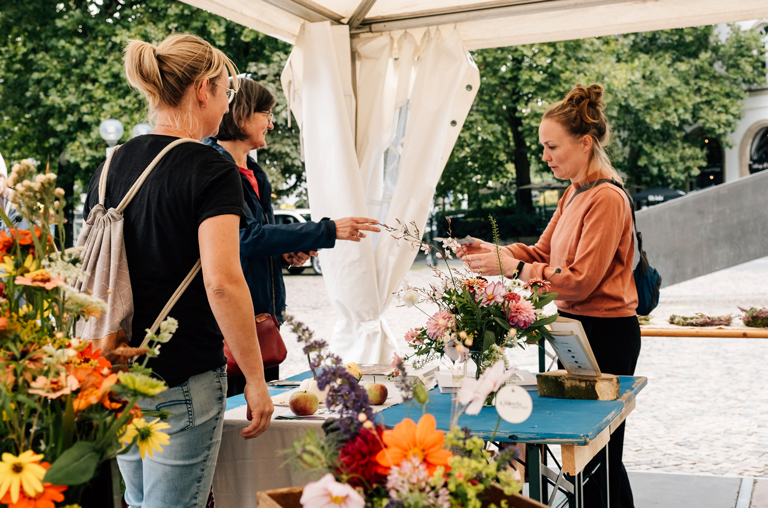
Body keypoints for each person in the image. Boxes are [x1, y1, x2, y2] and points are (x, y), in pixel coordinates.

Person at [82, 34, 273, 508]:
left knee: (140, 500)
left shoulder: (110, 166)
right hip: (182, 375)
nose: (228, 103)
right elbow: (222, 282)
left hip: (117, 370)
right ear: (203, 89)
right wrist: (254, 377)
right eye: (227, 91)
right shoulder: (211, 168)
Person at [460, 84, 639, 508]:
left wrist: (513, 267)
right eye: (543, 147)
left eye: (551, 146)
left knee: (601, 456)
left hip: (607, 334)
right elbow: (542, 253)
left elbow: (580, 280)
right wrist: (494, 252)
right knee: (586, 456)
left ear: (585, 142)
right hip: (577, 331)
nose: (545, 156)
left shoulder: (607, 198)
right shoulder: (574, 193)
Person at [203, 76, 380, 394]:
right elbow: (244, 237)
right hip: (230, 326)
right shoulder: (214, 168)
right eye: (266, 115)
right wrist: (326, 230)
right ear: (242, 114)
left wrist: (285, 254)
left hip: (265, 320)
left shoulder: (255, 173)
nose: (270, 125)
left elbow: (255, 242)